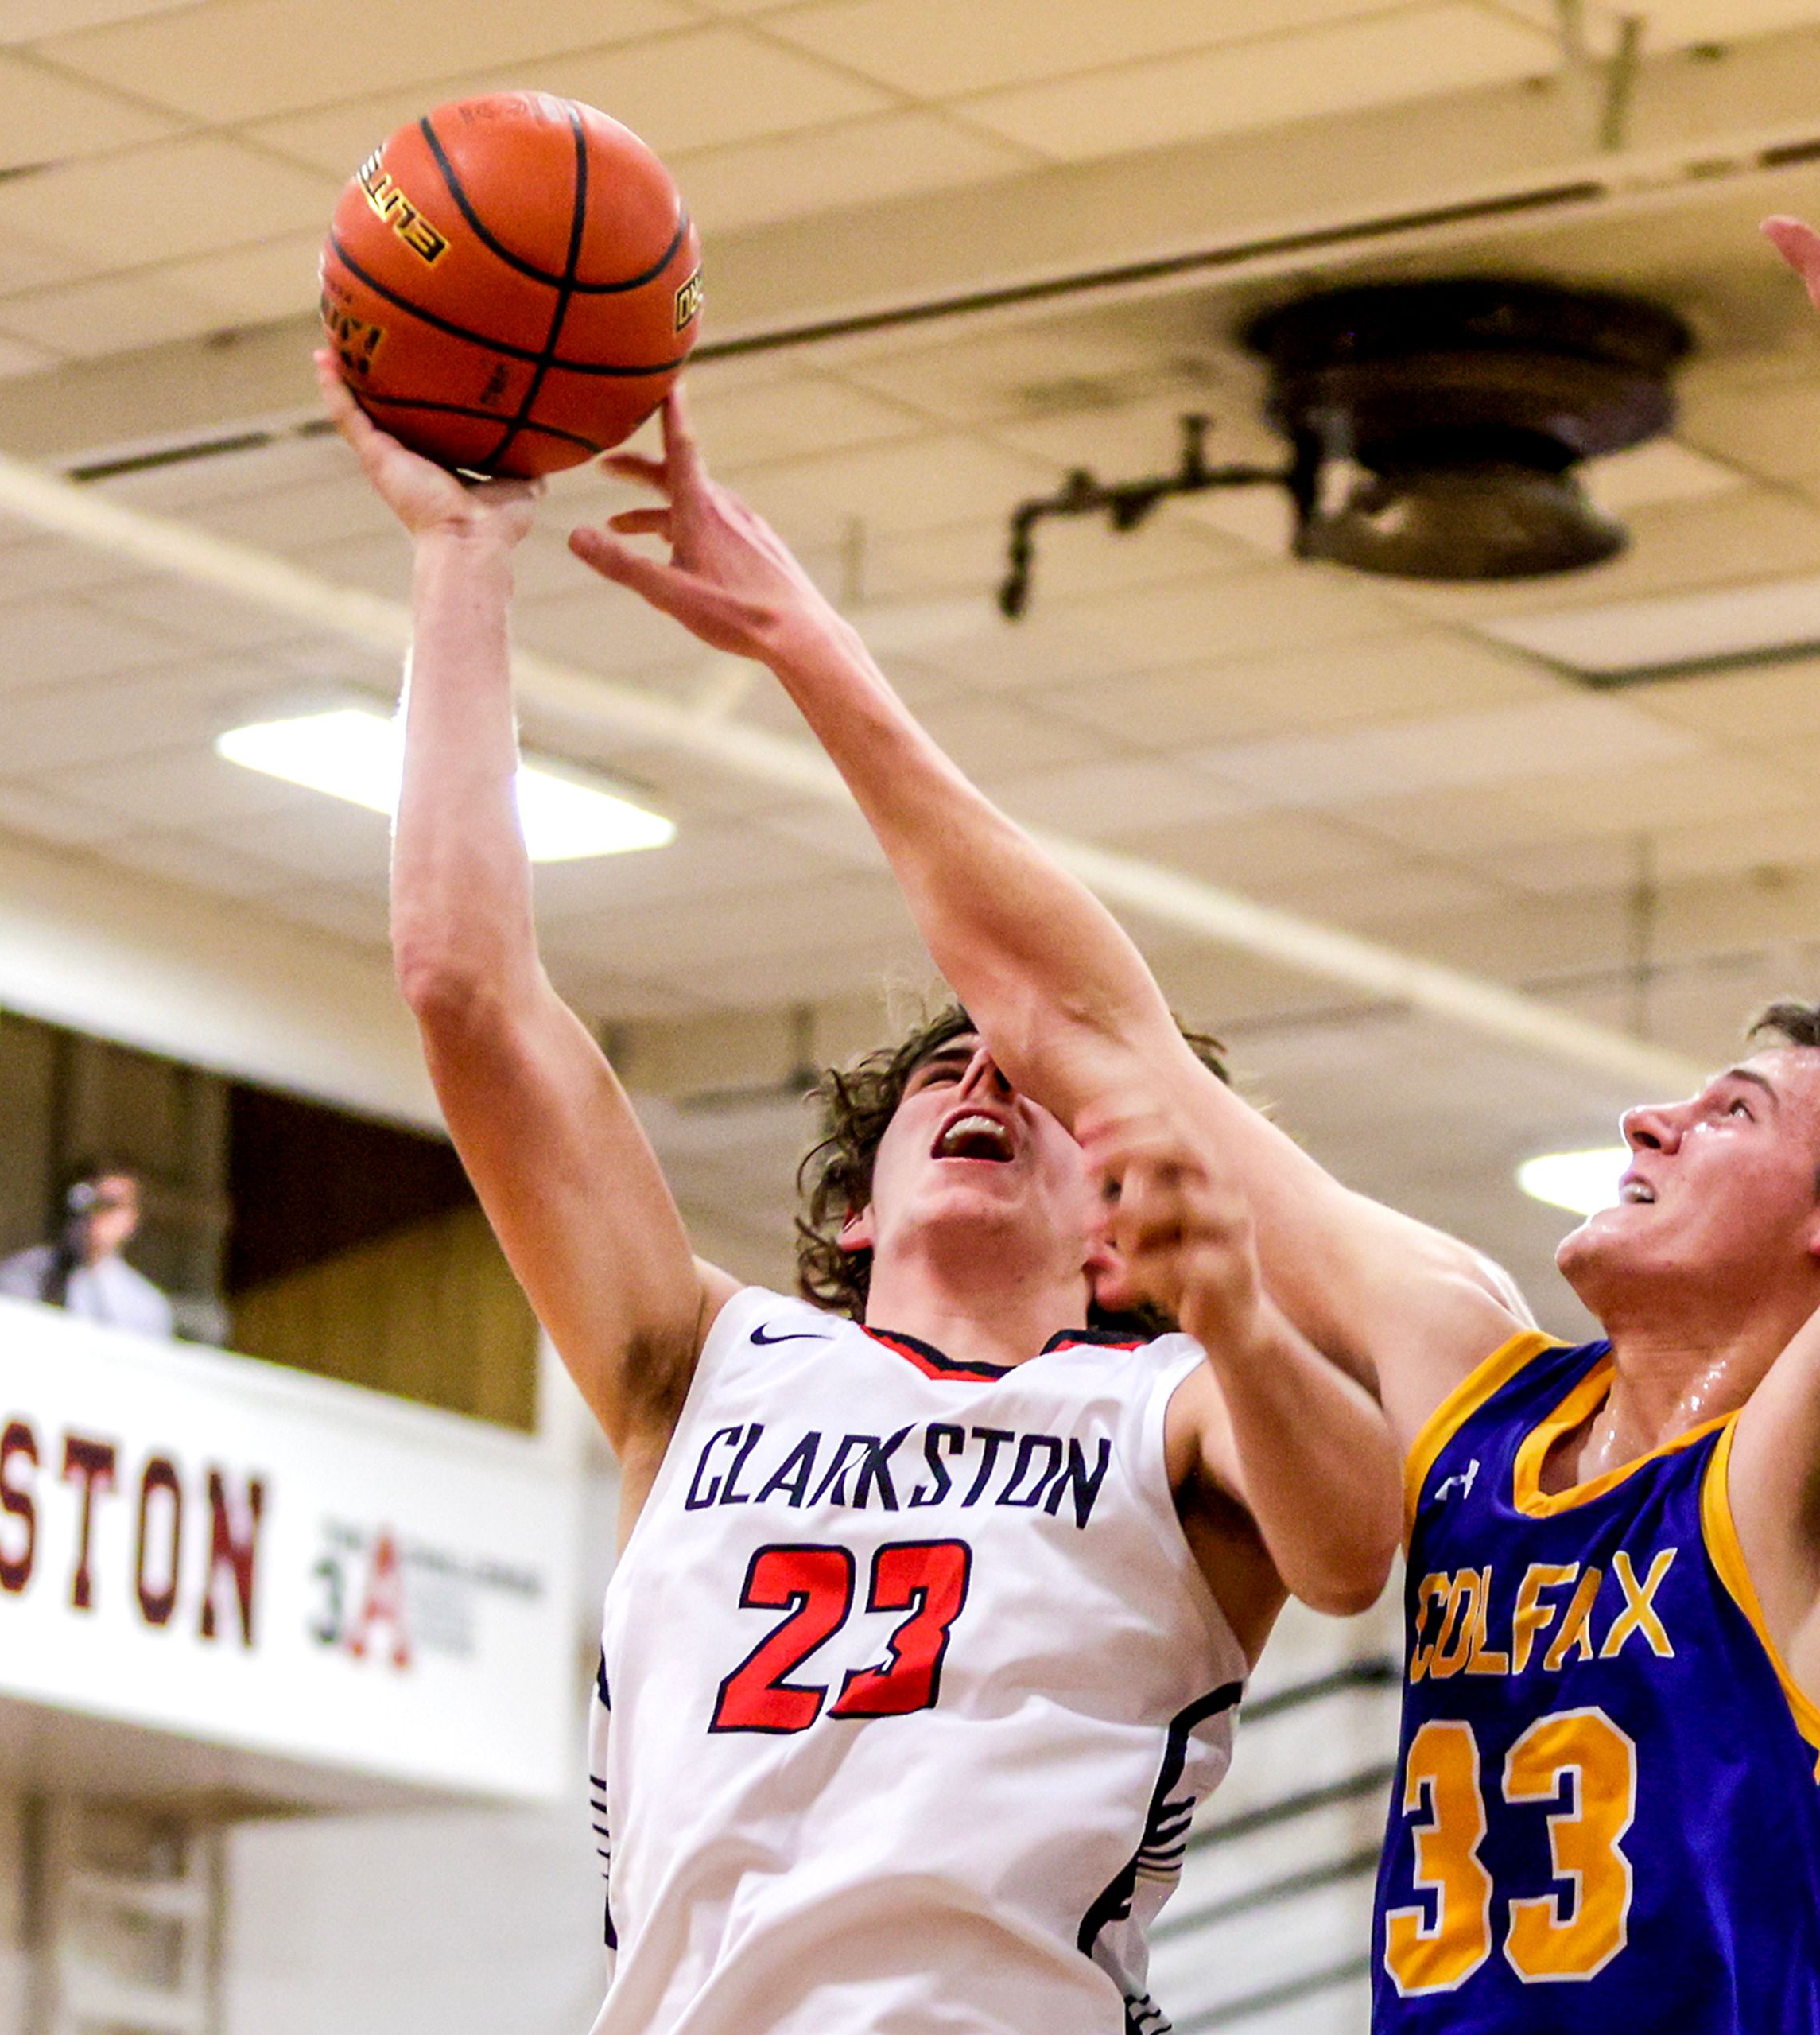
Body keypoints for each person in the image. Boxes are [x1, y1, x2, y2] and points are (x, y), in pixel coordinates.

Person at [576, 27, 1820, 2029]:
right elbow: (1088, 1023)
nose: (1645, 1112)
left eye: (1726, 1109)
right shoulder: (1485, 1400)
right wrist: (818, 659)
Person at [316, 352, 1407, 2035]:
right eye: (940, 1077)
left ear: (1113, 1230)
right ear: (852, 1213)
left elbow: (1350, 1545)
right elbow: (466, 987)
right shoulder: (698, 1366)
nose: (983, 1080)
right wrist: (461, 563)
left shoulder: (1159, 1406)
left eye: (1035, 1091)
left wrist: (1247, 1315)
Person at [0, 1161, 176, 1338]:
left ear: (132, 1220)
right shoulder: (21, 1275)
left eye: (111, 1204)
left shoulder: (147, 1308)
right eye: (88, 1201)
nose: (96, 1214)